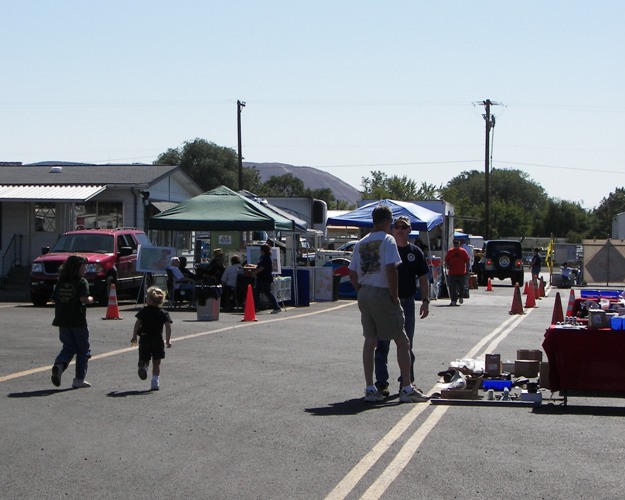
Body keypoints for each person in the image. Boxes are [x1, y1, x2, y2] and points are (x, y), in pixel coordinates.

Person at [348, 205, 428, 403]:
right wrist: (394, 295)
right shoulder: (387, 240)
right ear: (387, 222)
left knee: (371, 340)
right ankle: (407, 388)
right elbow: (390, 269)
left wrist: (362, 290)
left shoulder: (362, 243)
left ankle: (370, 388)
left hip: (365, 292)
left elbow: (351, 272)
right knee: (403, 340)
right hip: (382, 293)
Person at [374, 215, 430, 396]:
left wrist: (426, 301)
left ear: (409, 230)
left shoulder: (415, 252)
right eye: (397, 226)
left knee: (406, 344)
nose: (399, 230)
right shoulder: (385, 249)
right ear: (392, 229)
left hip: (407, 302)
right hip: (386, 301)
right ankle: (382, 384)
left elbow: (423, 278)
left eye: (404, 227)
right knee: (382, 344)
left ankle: (407, 383)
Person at [50, 254, 94, 389]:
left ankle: (60, 365)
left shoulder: (60, 282)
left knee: (69, 347)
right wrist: (91, 299)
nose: (85, 269)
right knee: (82, 350)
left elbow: (53, 299)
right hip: (77, 320)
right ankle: (79, 379)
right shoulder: (81, 282)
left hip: (62, 320)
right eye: (84, 267)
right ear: (76, 268)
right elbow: (84, 299)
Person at [131, 286, 172, 391]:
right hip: (157, 339)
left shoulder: (144, 311)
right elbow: (168, 326)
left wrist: (134, 336)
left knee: (145, 358)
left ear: (149, 300)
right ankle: (155, 382)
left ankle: (144, 366)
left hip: (144, 338)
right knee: (157, 362)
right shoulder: (163, 313)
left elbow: (137, 324)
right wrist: (168, 340)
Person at [251, 244, 281, 314]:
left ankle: (276, 307)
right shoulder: (262, 257)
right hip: (260, 278)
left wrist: (255, 272)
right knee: (256, 293)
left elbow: (262, 268)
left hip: (265, 278)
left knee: (267, 292)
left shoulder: (266, 258)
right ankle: (254, 308)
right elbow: (259, 265)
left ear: (263, 250)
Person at [444, 239, 470, 306]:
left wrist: (467, 270)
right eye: (455, 244)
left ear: (459, 244)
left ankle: (460, 296)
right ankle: (453, 300)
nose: (456, 245)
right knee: (452, 288)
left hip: (461, 273)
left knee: (461, 287)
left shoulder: (463, 251)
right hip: (452, 273)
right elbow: (446, 260)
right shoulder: (450, 251)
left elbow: (467, 261)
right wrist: (447, 265)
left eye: (457, 244)